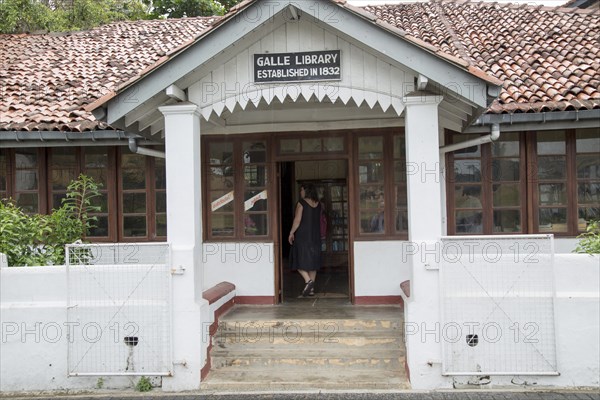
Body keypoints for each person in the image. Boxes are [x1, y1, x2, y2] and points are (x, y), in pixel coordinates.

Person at [288, 183, 322, 297]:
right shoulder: (319, 204)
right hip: (315, 236)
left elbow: (297, 220)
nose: (300, 192)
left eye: (301, 190)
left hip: (303, 236)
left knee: (297, 259)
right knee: (313, 263)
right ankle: (311, 290)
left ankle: (308, 281)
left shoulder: (301, 203)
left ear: (306, 191)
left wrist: (291, 232)